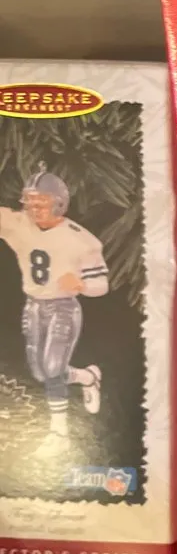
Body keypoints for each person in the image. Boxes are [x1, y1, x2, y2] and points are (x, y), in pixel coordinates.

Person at [0, 167, 106, 454]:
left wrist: (81, 285)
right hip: (33, 305)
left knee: (53, 368)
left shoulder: (81, 240)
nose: (34, 208)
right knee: (40, 372)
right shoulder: (18, 224)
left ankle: (60, 434)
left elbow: (101, 285)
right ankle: (88, 377)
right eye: (30, 201)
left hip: (63, 307)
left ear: (59, 202)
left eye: (42, 202)